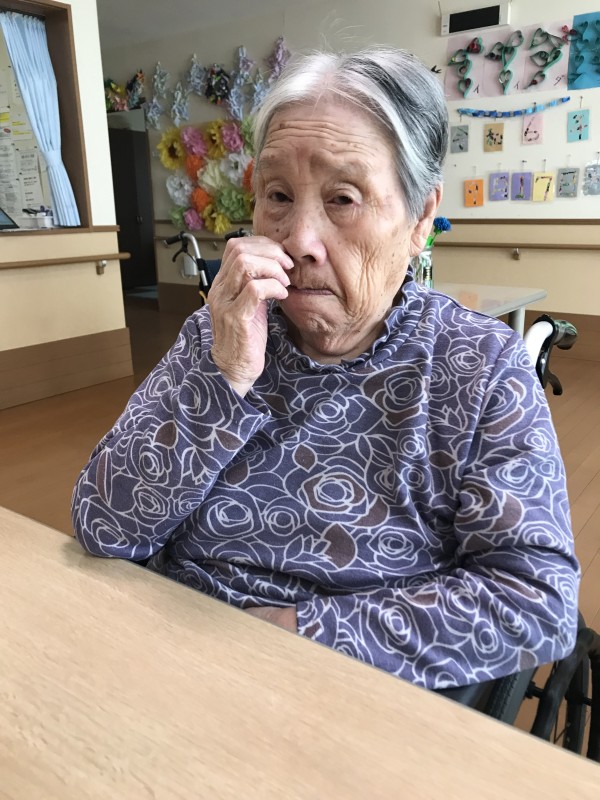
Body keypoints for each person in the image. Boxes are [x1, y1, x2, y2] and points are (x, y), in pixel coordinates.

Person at [72, 47, 579, 690]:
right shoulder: (220, 331)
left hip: (343, 691)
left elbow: (533, 599)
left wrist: (296, 635)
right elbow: (102, 524)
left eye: (343, 198)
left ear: (421, 217)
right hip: (168, 657)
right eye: (277, 196)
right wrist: (224, 378)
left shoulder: (480, 365)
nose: (298, 239)